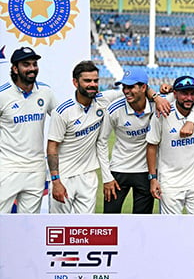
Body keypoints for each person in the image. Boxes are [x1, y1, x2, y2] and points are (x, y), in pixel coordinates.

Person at [47, 61, 119, 213]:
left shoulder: (103, 99)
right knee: (60, 227)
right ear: (75, 82)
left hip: (88, 176)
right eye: (87, 81)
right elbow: (52, 148)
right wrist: (55, 181)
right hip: (64, 177)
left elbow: (132, 91)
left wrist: (158, 96)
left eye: (95, 80)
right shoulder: (62, 112)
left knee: (85, 226)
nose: (92, 84)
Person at [146, 76, 194, 215]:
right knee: (170, 229)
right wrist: (153, 179)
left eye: (192, 93)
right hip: (170, 182)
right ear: (175, 94)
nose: (189, 98)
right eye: (184, 93)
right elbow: (151, 146)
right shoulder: (161, 113)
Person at [0, 47, 56, 213]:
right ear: (15, 69)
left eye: (34, 64)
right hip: (7, 168)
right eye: (26, 64)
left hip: (36, 170)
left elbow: (62, 119)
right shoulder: (3, 95)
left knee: (28, 224)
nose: (32, 68)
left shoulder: (45, 92)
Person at [97, 68, 156, 214]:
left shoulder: (156, 105)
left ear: (143, 88)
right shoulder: (114, 109)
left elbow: (186, 95)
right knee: (110, 221)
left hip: (145, 172)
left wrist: (159, 96)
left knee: (142, 223)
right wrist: (106, 178)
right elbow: (101, 142)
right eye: (124, 87)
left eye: (131, 87)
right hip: (118, 170)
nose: (126, 91)